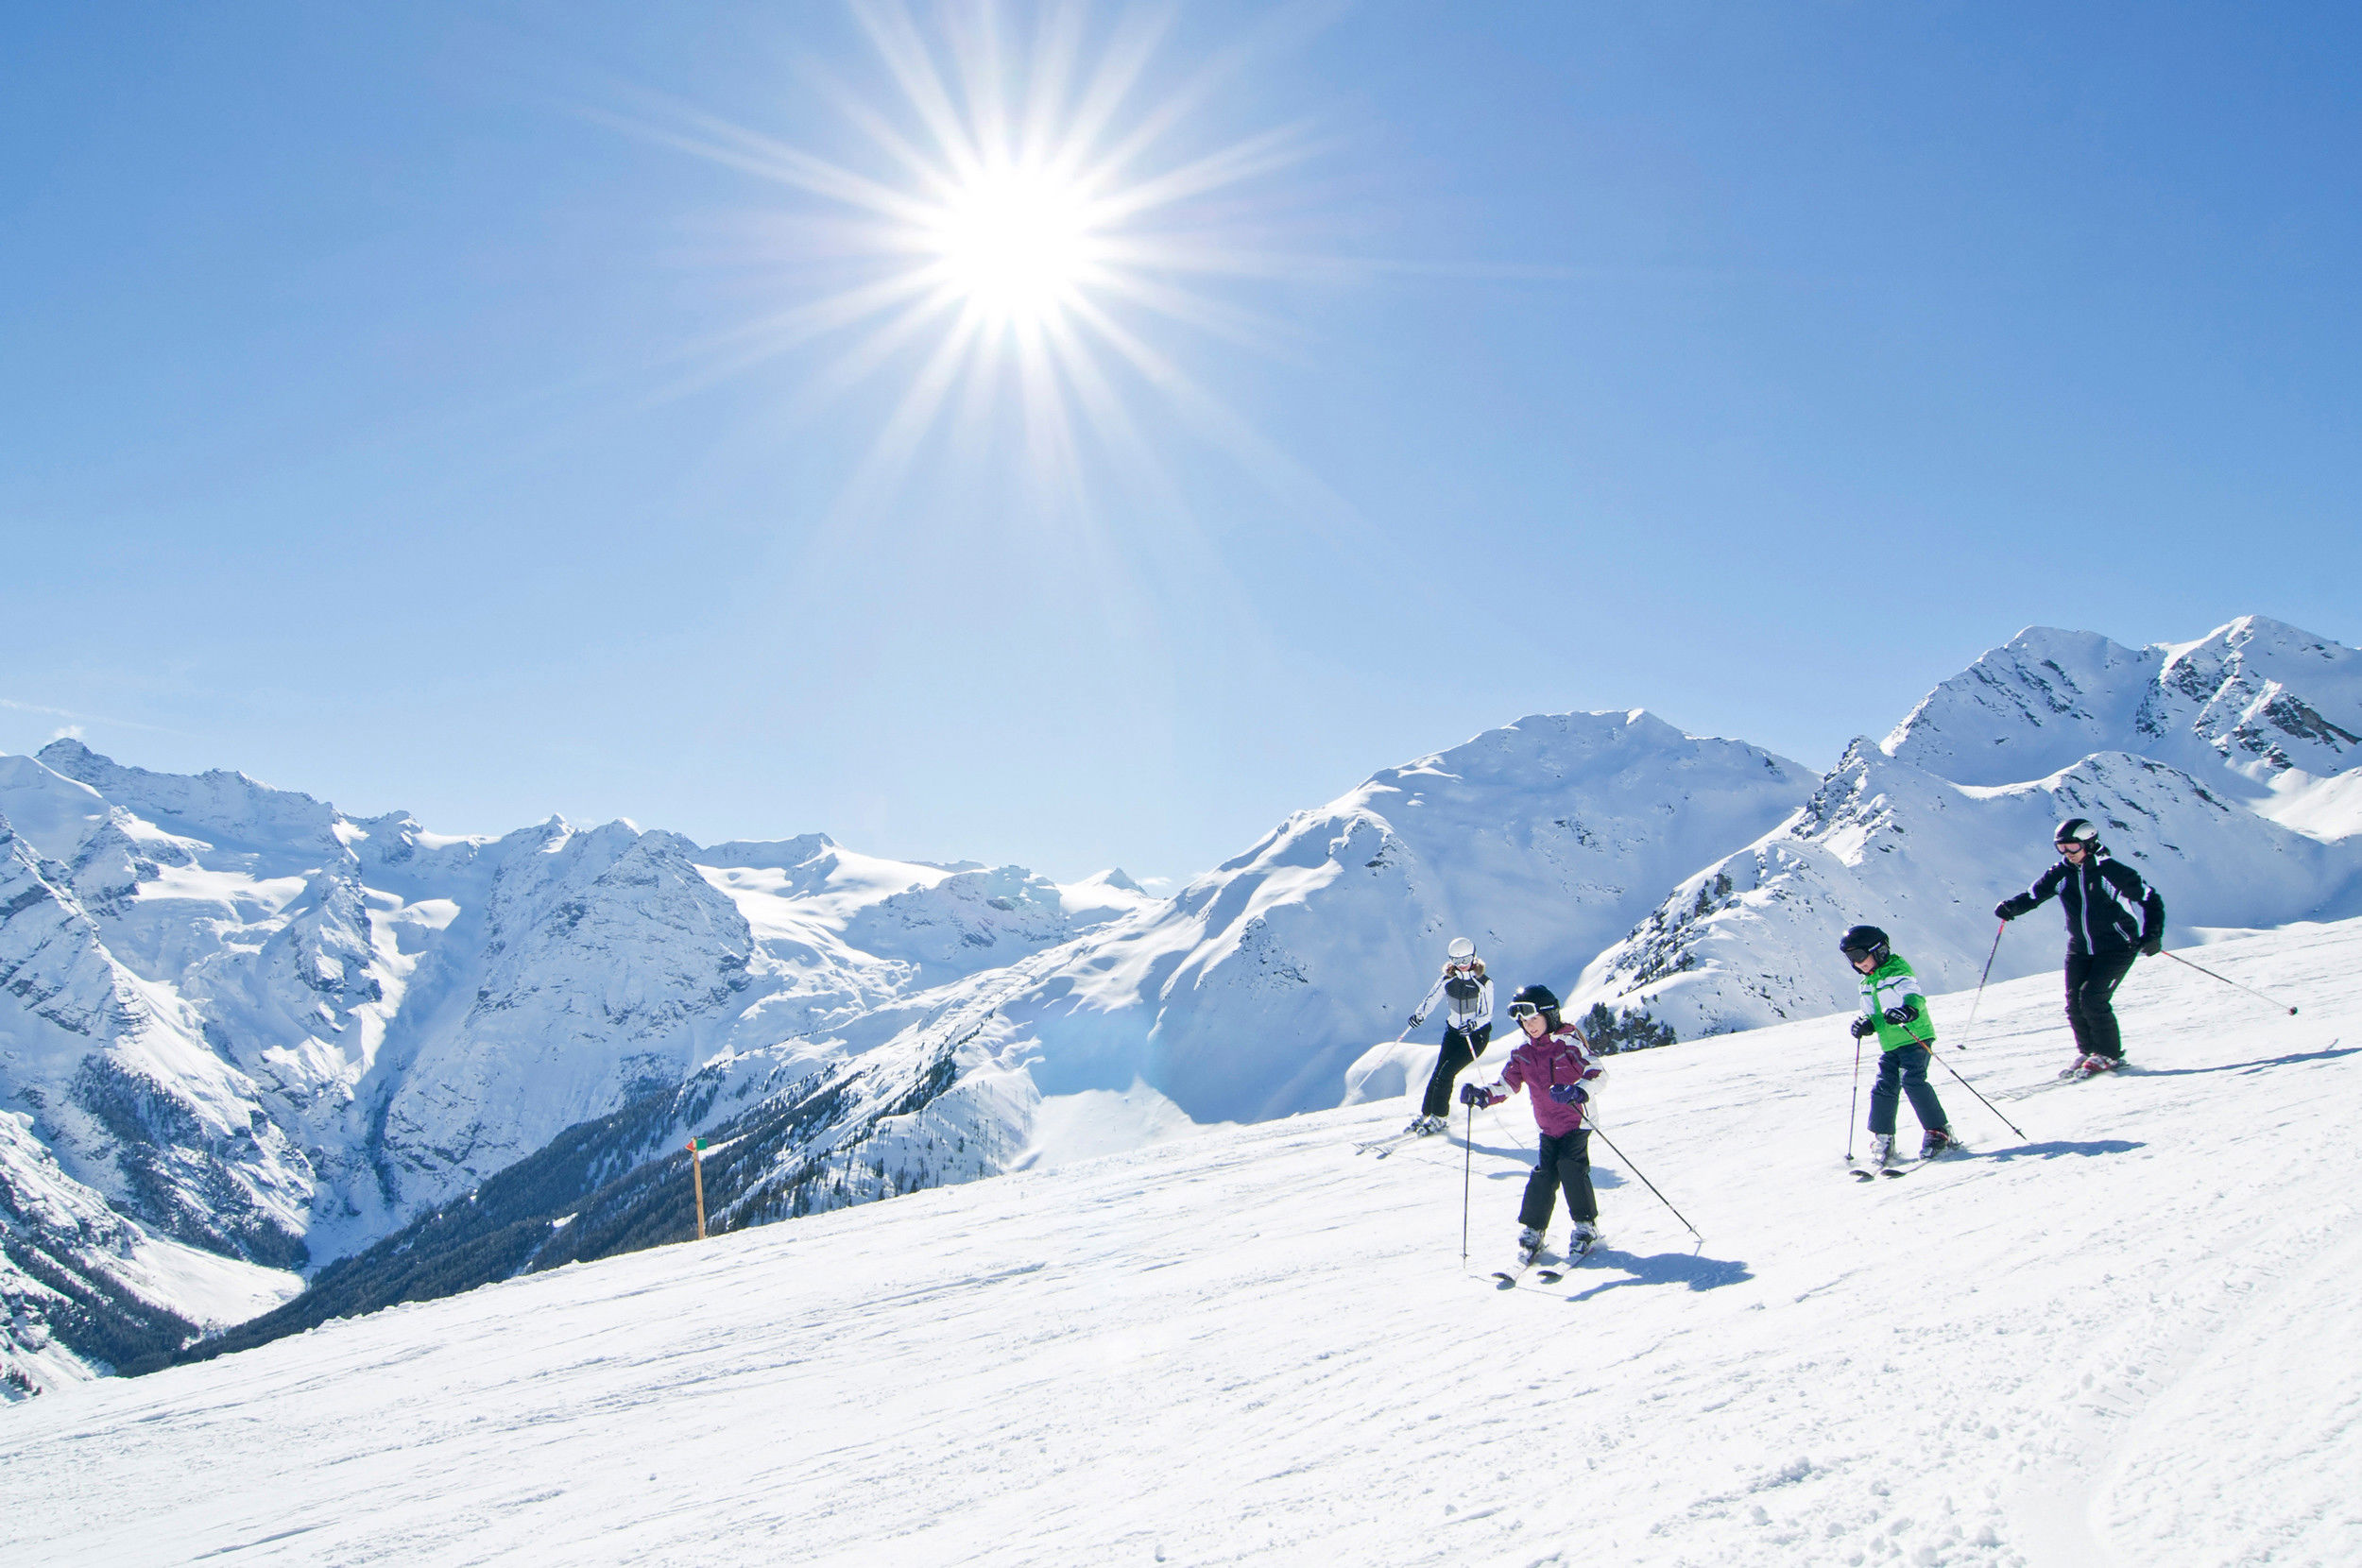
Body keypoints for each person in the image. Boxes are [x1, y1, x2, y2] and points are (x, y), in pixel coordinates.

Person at [1994, 817, 2166, 1076]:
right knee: (2074, 1003)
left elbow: (2151, 898)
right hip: (2080, 948)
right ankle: (2089, 1052)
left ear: (2089, 843)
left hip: (2117, 947)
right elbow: (2034, 895)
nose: (2067, 853)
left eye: (2072, 846)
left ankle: (2109, 1055)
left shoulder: (2112, 871)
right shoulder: (2061, 873)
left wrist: (2152, 934)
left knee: (2093, 998)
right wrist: (2011, 908)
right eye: (2061, 847)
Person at [1459, 983, 1603, 1264]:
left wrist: (1577, 1091)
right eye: (1524, 1021)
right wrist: (1482, 1095)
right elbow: (1506, 1085)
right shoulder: (1523, 1052)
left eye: (1534, 1018)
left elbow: (1597, 1071)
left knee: (1570, 1167)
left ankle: (1586, 1226)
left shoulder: (1568, 1042)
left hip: (1576, 1120)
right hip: (1547, 1126)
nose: (1530, 1025)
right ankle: (1534, 1230)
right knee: (1544, 1174)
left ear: (1550, 1015)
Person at [1841, 924, 1960, 1167]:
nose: (1857, 963)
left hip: (1915, 1036)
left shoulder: (1897, 970)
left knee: (1912, 1081)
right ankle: (1883, 1137)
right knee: (1884, 1086)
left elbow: (1914, 995)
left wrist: (1908, 1010)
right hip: (1891, 1044)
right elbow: (1873, 1015)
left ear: (1879, 950)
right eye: (1851, 959)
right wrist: (1866, 1024)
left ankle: (1939, 1131)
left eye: (1860, 956)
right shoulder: (1866, 984)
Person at [1402, 937, 1494, 1135]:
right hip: (1453, 1033)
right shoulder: (1447, 980)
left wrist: (1472, 1025)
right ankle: (1426, 1114)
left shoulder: (1483, 983)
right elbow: (1431, 998)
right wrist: (1420, 1015)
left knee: (1447, 1073)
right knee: (1437, 1072)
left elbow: (1486, 1015)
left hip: (1475, 1037)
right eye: (1457, 960)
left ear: (1474, 957)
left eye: (1466, 959)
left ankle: (1440, 1118)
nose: (1462, 965)